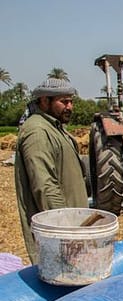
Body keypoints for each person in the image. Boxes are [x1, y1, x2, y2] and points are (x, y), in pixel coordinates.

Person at [14, 78, 88, 264]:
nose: (70, 107)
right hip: (60, 233)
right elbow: (45, 185)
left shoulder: (54, 128)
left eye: (71, 101)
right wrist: (66, 229)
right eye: (63, 102)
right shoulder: (37, 132)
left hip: (72, 225)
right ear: (44, 101)